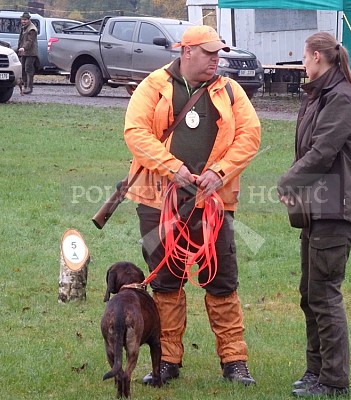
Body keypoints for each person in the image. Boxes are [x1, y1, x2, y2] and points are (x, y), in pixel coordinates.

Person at [123, 25, 261, 385]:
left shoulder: (230, 90)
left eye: (219, 54)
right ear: (186, 52)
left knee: (222, 280)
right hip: (158, 200)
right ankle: (168, 360)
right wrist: (175, 169)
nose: (217, 59)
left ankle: (235, 362)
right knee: (167, 281)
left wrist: (220, 171)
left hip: (214, 201)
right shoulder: (153, 86)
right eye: (209, 53)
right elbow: (135, 133)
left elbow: (250, 135)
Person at [277, 32, 351, 398]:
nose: (302, 63)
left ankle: (334, 382)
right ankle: (315, 372)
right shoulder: (320, 95)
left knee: (325, 295)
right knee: (310, 292)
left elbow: (322, 153)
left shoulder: (341, 98)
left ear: (317, 56)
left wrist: (287, 182)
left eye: (304, 57)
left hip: (337, 209)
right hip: (319, 207)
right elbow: (309, 150)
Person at [17, 12, 39, 94]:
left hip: (31, 52)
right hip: (24, 52)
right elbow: (21, 40)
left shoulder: (31, 29)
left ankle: (29, 87)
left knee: (28, 68)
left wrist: (24, 48)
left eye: (25, 20)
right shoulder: (24, 27)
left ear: (29, 20)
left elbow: (30, 41)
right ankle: (25, 86)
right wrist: (18, 48)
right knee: (23, 69)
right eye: (22, 19)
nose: (23, 21)